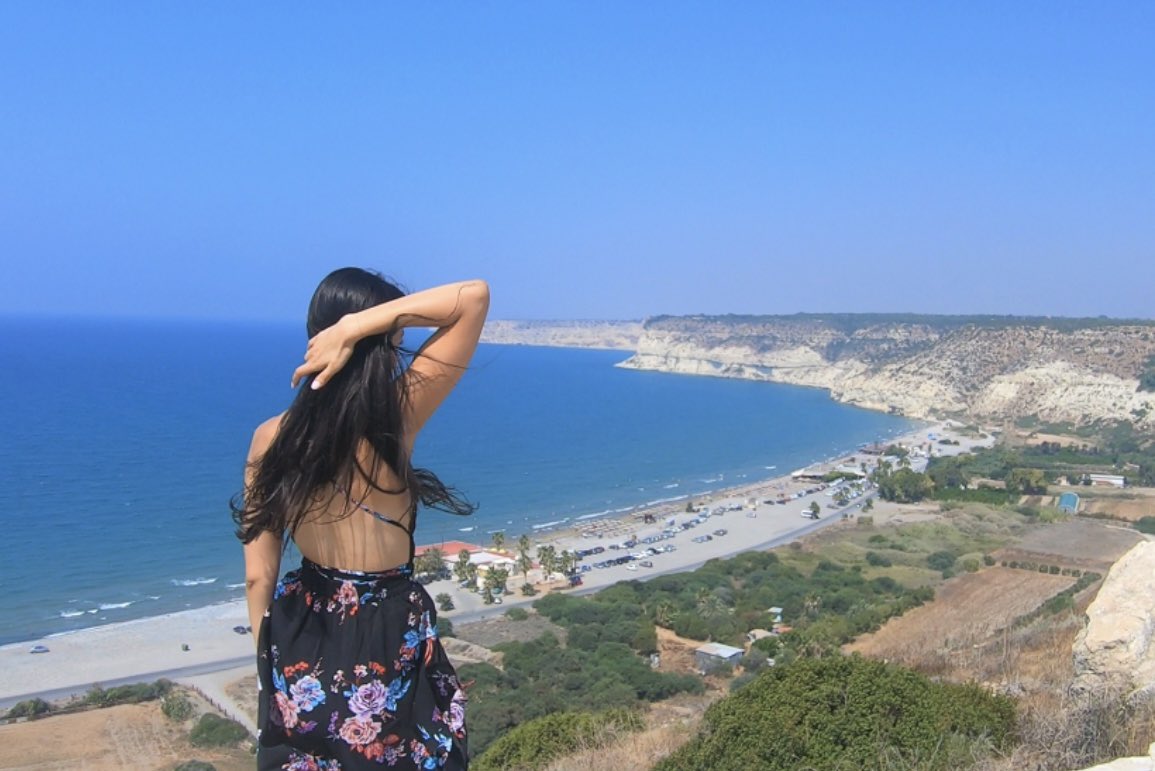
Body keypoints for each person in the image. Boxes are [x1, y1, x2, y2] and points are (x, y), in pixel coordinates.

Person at [233, 269, 489, 770]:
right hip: (383, 631)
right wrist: (360, 327)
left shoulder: (269, 438)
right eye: (395, 340)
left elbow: (258, 576)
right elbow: (473, 298)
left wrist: (270, 674)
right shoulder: (394, 418)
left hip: (301, 628)